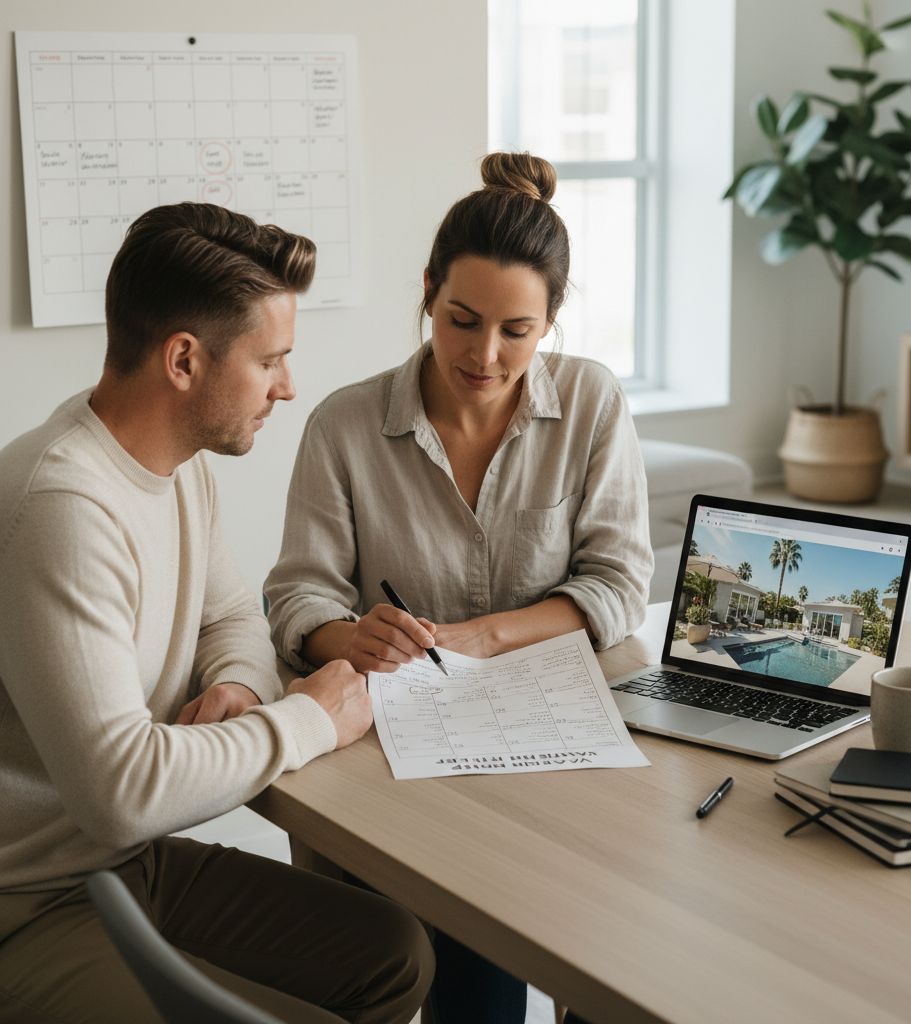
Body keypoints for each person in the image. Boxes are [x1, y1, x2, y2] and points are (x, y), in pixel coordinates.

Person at [0, 203, 434, 1024]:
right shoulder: (61, 505)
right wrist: (306, 718)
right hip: (25, 905)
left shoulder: (175, 464)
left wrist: (238, 685)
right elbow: (122, 792)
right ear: (184, 361)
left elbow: (234, 612)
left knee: (395, 955)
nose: (288, 385)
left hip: (120, 865)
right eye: (270, 359)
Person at [265, 153, 654, 1024]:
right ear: (429, 294)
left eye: (518, 330)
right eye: (461, 319)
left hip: (562, 739)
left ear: (552, 320)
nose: (485, 355)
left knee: (611, 953)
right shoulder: (345, 424)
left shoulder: (591, 402)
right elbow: (298, 597)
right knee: (468, 972)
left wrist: (482, 636)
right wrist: (348, 638)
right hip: (407, 756)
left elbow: (621, 581)